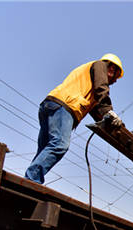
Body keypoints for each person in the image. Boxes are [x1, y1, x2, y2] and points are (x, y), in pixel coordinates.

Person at [25, 54, 124, 184]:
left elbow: (97, 110)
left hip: (51, 105)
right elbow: (102, 88)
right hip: (64, 107)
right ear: (112, 68)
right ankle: (32, 180)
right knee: (60, 144)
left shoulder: (89, 81)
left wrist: (107, 118)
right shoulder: (100, 66)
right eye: (116, 77)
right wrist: (110, 111)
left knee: (46, 148)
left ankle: (30, 180)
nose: (115, 81)